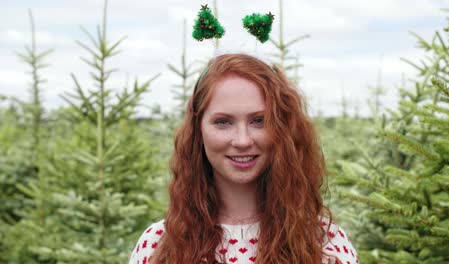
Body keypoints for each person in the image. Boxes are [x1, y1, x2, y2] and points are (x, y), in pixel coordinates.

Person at [129, 53, 358, 264]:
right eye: (223, 122)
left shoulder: (326, 245)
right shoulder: (157, 246)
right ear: (198, 131)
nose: (242, 140)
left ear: (282, 129)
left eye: (259, 120)